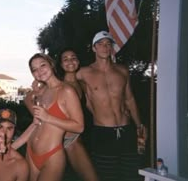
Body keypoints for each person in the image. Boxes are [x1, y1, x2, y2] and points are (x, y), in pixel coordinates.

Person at [76, 31, 147, 181]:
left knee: (131, 174)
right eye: (100, 44)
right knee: (107, 176)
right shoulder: (84, 73)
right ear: (94, 48)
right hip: (102, 133)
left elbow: (130, 99)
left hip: (126, 130)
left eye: (108, 44)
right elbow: (65, 84)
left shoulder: (122, 71)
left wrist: (139, 125)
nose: (105, 47)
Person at [12, 53, 84, 181]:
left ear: (51, 64)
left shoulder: (67, 91)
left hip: (52, 155)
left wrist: (48, 117)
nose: (39, 71)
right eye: (34, 70)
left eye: (43, 65)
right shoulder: (41, 92)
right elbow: (34, 117)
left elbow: (79, 127)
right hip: (31, 151)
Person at [57, 48, 99, 181]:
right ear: (61, 64)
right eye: (65, 59)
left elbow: (91, 107)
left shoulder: (82, 85)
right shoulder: (58, 85)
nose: (70, 61)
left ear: (78, 61)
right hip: (61, 140)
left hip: (78, 137)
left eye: (73, 57)